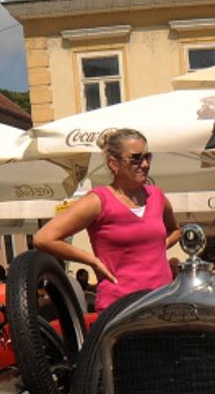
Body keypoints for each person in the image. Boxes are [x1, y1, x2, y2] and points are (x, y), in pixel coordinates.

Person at [33, 128, 180, 311]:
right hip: (120, 307)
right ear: (113, 164)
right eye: (136, 158)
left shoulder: (156, 196)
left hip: (163, 301)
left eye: (148, 157)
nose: (144, 164)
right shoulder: (99, 201)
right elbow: (44, 238)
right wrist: (92, 260)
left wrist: (158, 247)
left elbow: (176, 230)